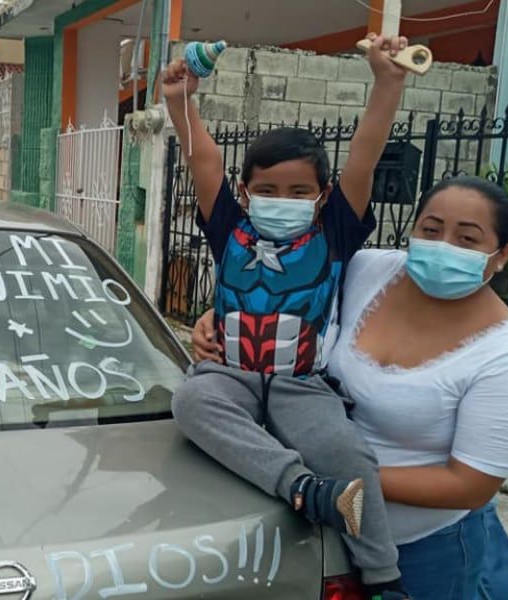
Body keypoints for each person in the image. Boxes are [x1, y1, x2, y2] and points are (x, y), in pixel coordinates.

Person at [190, 176, 508, 599]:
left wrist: (342, 480)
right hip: (315, 530)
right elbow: (292, 298)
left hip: (423, 551)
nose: (444, 245)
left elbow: (470, 485)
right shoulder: (370, 271)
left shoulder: (506, 359)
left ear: (502, 255)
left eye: (467, 238)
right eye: (431, 230)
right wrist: (220, 317)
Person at [164, 33, 410, 599]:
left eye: (299, 189)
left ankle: (384, 577)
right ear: (245, 194)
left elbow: (366, 153)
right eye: (267, 188)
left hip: (303, 384)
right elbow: (204, 158)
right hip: (230, 375)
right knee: (191, 401)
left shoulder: (336, 231)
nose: (284, 197)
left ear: (323, 194)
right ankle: (303, 490)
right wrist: (181, 101)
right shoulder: (229, 227)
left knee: (348, 454)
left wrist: (387, 85)